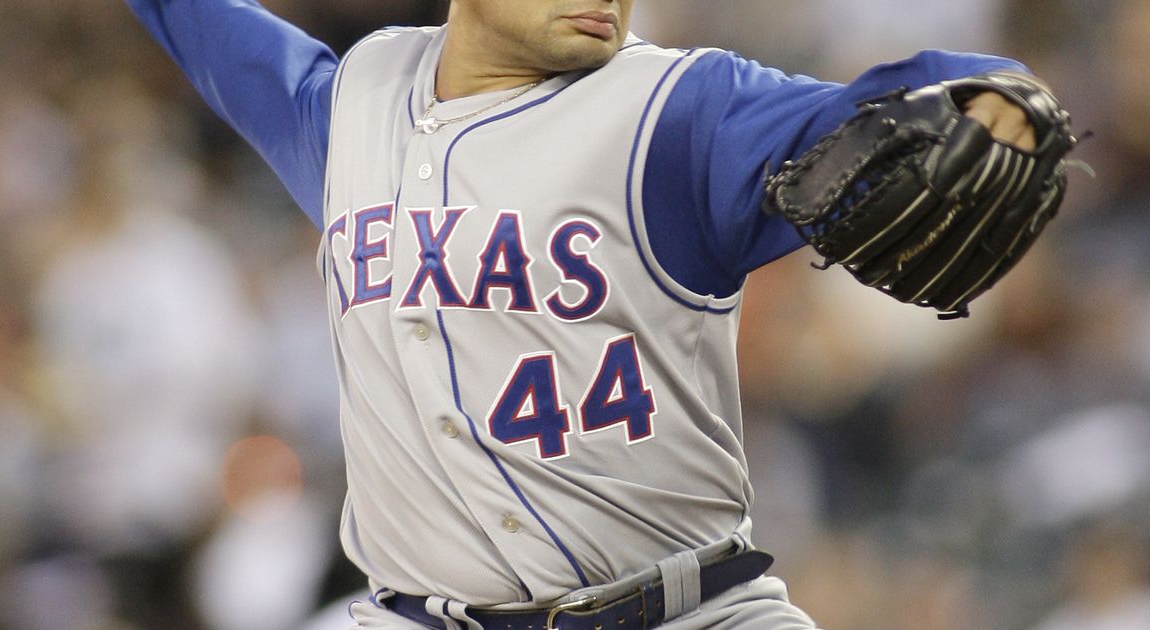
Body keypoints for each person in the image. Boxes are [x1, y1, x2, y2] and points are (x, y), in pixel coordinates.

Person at [125, 1, 1043, 628]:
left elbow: (888, 105)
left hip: (682, 610)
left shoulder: (673, 110)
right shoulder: (351, 105)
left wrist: (992, 96)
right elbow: (206, 27)